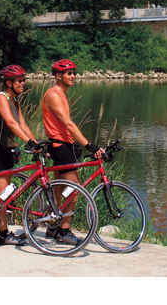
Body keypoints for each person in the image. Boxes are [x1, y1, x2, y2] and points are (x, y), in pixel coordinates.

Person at [41, 59, 103, 246]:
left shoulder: (61, 94)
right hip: (59, 146)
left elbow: (65, 125)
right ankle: (64, 231)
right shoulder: (53, 95)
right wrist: (88, 145)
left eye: (74, 73)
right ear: (59, 76)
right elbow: (67, 123)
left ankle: (53, 225)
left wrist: (74, 143)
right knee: (74, 189)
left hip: (64, 145)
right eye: (69, 73)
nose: (73, 76)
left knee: (60, 187)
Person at [0, 64, 37, 249]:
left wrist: (37, 144)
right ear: (8, 82)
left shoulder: (15, 101)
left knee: (5, 196)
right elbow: (10, 123)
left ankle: (3, 234)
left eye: (24, 80)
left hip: (7, 150)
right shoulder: (1, 98)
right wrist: (29, 142)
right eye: (19, 80)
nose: (23, 83)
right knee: (0, 197)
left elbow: (23, 125)